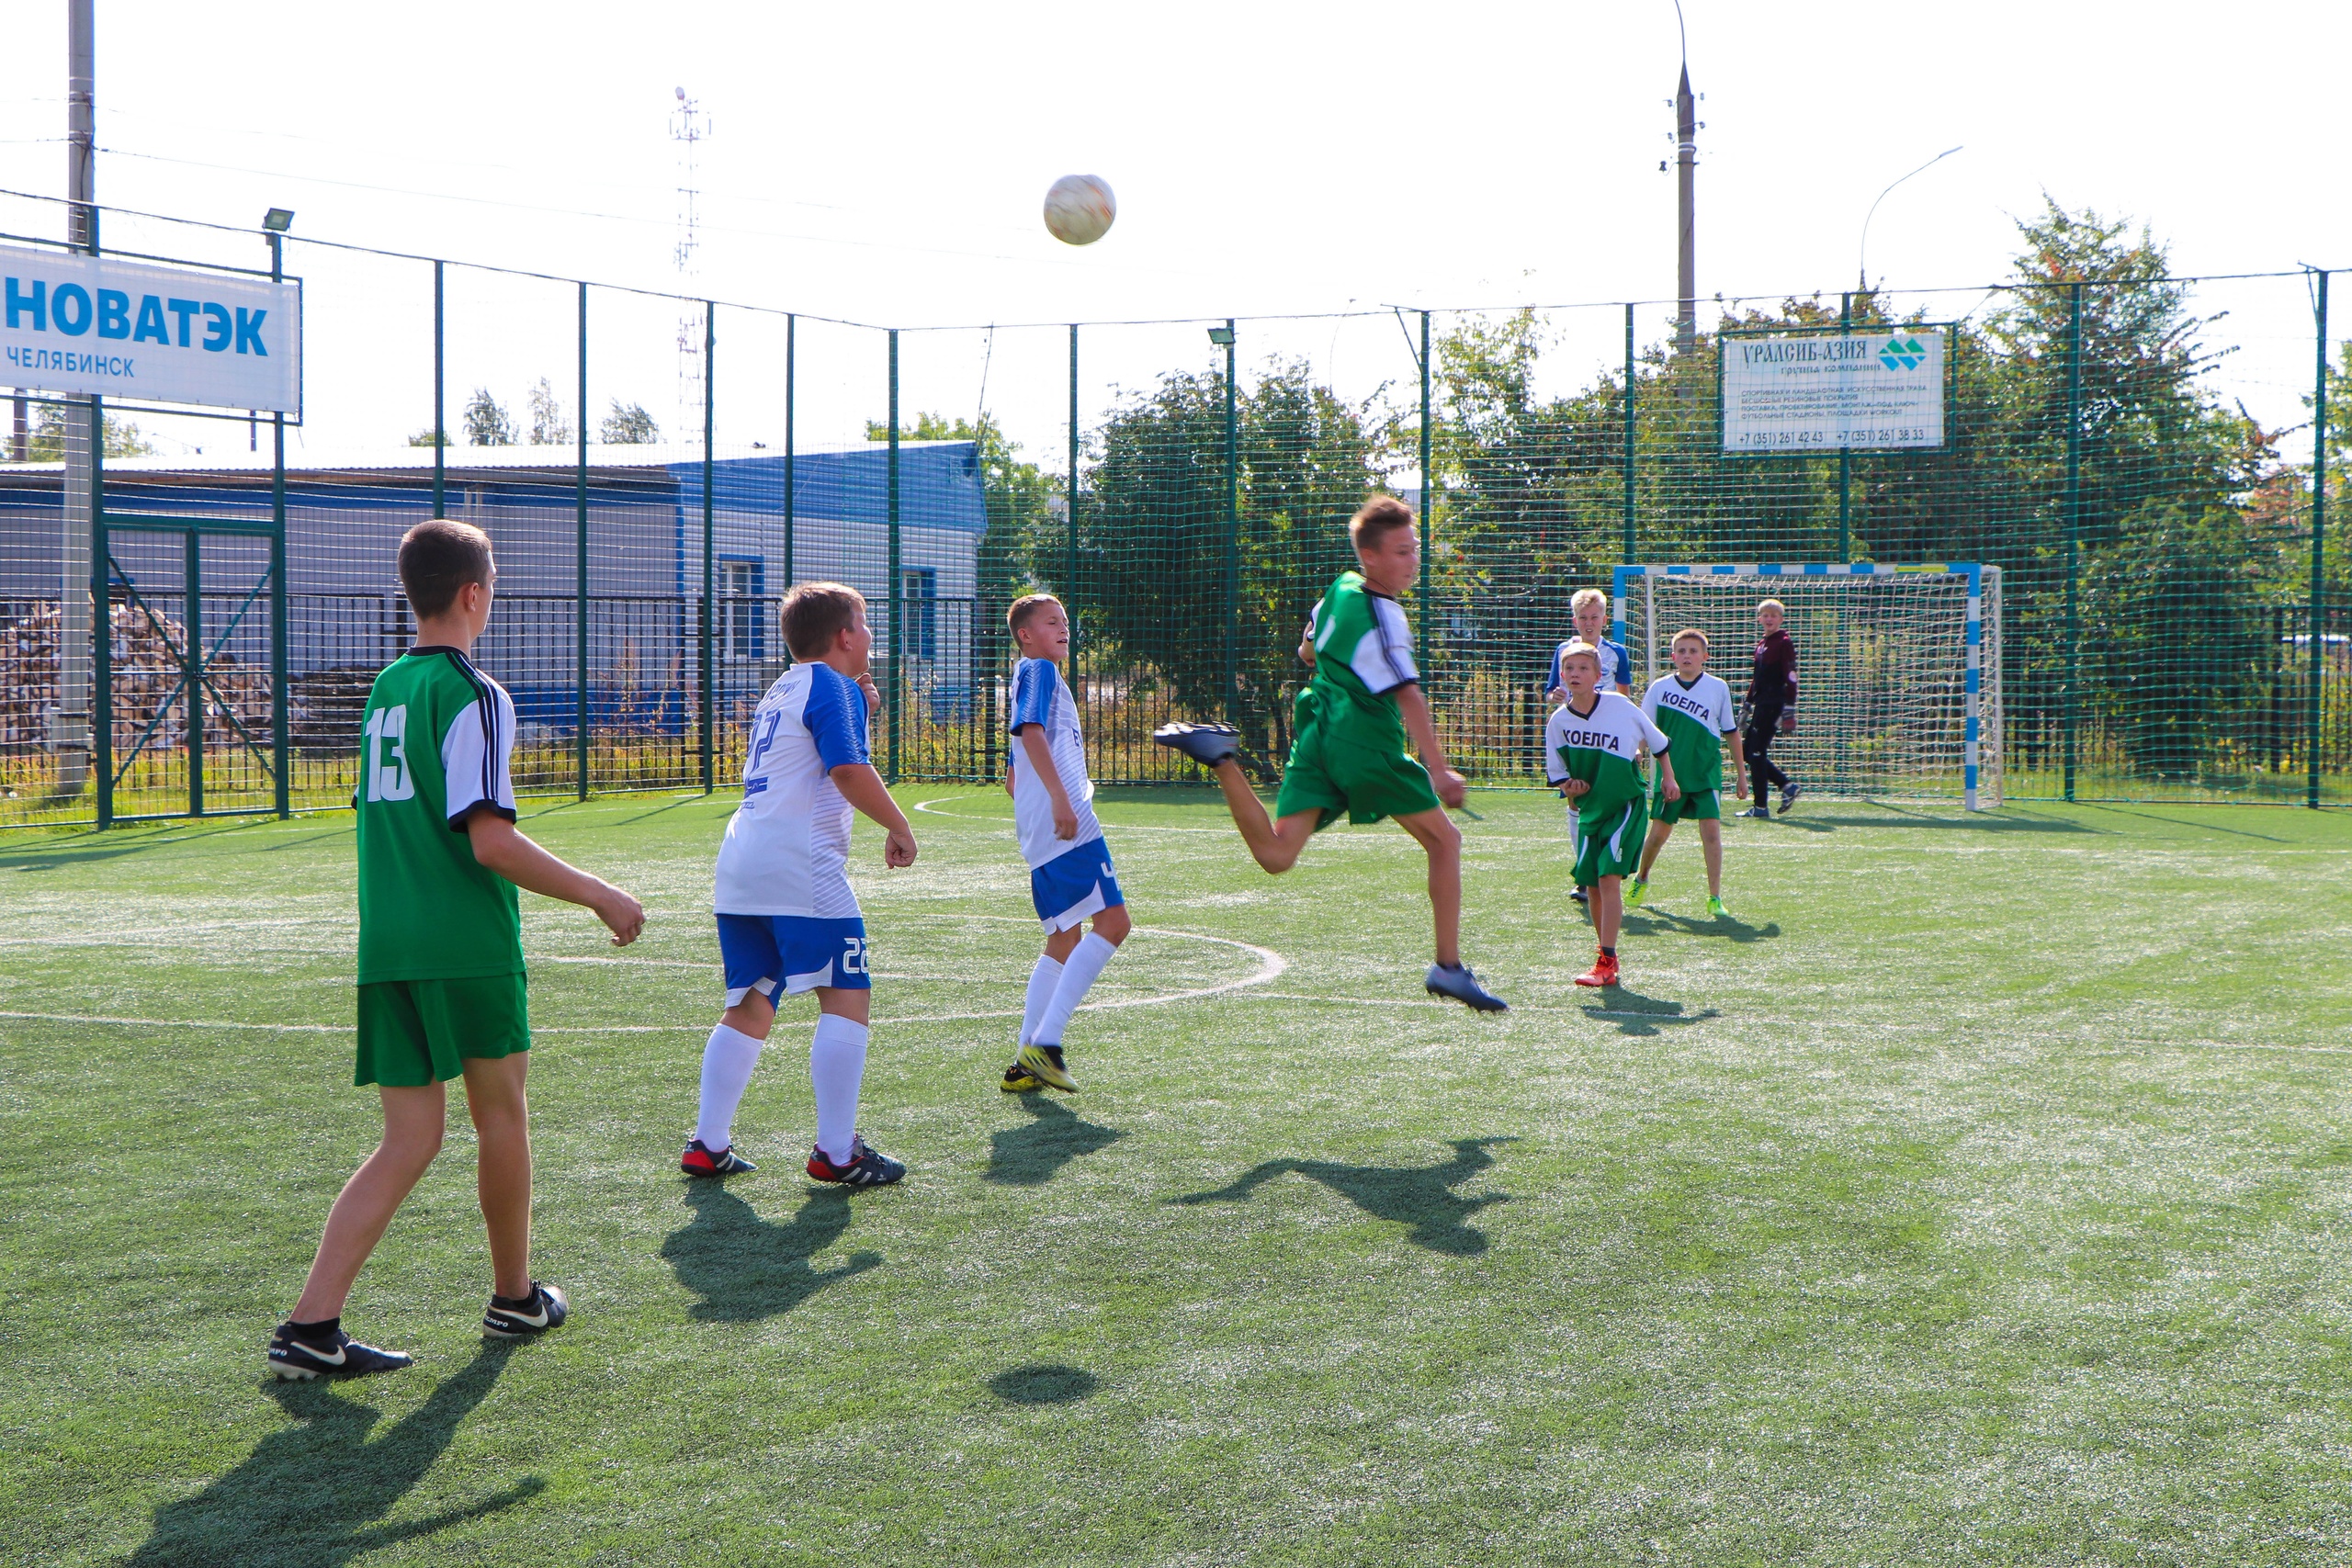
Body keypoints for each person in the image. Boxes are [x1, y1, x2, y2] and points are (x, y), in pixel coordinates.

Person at [268, 519, 647, 1382]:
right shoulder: (474, 692)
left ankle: (310, 1323)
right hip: (464, 942)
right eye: (495, 582)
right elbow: (489, 841)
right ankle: (514, 1297)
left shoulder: (387, 687)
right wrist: (600, 892)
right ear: (474, 593)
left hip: (387, 941)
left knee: (408, 1139)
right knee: (500, 1116)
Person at [1152, 495, 1507, 1012]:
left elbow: (1307, 651)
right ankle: (1448, 968)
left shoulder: (1340, 588)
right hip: (1363, 744)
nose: (1413, 560)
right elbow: (1408, 694)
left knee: (1277, 855)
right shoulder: (1387, 616)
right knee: (1445, 840)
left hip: (1319, 731)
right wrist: (1439, 769)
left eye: (1415, 549)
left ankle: (1221, 759)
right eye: (1403, 552)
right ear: (1371, 557)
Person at [681, 581, 919, 1188]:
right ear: (844, 636)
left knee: (751, 1001)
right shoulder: (831, 685)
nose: (870, 635)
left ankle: (708, 1142)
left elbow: (810, 755)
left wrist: (862, 708)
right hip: (799, 866)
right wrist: (898, 825)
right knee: (847, 994)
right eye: (863, 623)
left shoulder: (784, 687)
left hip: (742, 865)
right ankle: (837, 1152)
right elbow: (847, 768)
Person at [998, 592, 1129, 1094]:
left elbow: (1013, 776)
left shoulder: (1027, 677)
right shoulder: (1040, 671)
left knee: (1064, 938)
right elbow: (1031, 733)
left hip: (1041, 832)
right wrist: (1060, 798)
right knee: (1114, 923)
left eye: (1065, 622)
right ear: (1026, 635)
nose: (1063, 628)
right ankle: (1046, 1044)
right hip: (1069, 826)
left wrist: (1039, 798)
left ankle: (1024, 1059)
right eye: (1052, 622)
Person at [1547, 640, 1677, 989]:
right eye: (1569, 668)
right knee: (1592, 885)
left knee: (1607, 878)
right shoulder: (1558, 722)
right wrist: (1571, 787)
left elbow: (1659, 743)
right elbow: (1558, 775)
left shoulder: (1619, 705)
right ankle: (1607, 958)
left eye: (1583, 668)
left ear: (1598, 675)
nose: (1575, 674)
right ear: (1562, 675)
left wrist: (1669, 778)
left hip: (1625, 805)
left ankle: (1605, 961)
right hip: (1591, 811)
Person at [1625, 628, 1744, 919]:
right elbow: (1644, 727)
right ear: (1673, 656)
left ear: (1705, 656)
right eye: (1682, 651)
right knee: (1658, 835)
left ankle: (1715, 897)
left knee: (1712, 833)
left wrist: (1742, 774)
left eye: (1693, 651)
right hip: (1672, 776)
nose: (1687, 656)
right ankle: (1642, 877)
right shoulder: (1660, 688)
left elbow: (1731, 731)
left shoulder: (1718, 687)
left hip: (1706, 774)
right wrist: (1637, 750)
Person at [1544, 588, 1634, 905]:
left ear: (1604, 619)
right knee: (1576, 799)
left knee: (1608, 800)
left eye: (1594, 617)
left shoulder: (1617, 652)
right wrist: (1553, 696)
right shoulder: (1563, 650)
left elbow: (1624, 698)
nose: (1589, 623)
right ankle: (1585, 875)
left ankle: (1609, 867)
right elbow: (1551, 690)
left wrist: (1630, 739)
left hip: (1608, 739)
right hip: (1575, 737)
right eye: (1583, 618)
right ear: (1575, 621)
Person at [1741, 596, 1800, 818]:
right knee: (1748, 752)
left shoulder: (1784, 642)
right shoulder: (1762, 644)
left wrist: (1789, 708)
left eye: (1774, 616)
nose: (1769, 619)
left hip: (1774, 704)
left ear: (1781, 619)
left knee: (1756, 752)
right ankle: (1786, 786)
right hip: (1761, 704)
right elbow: (1757, 679)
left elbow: (1791, 676)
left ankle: (1761, 807)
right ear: (1759, 619)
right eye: (1765, 615)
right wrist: (1748, 704)